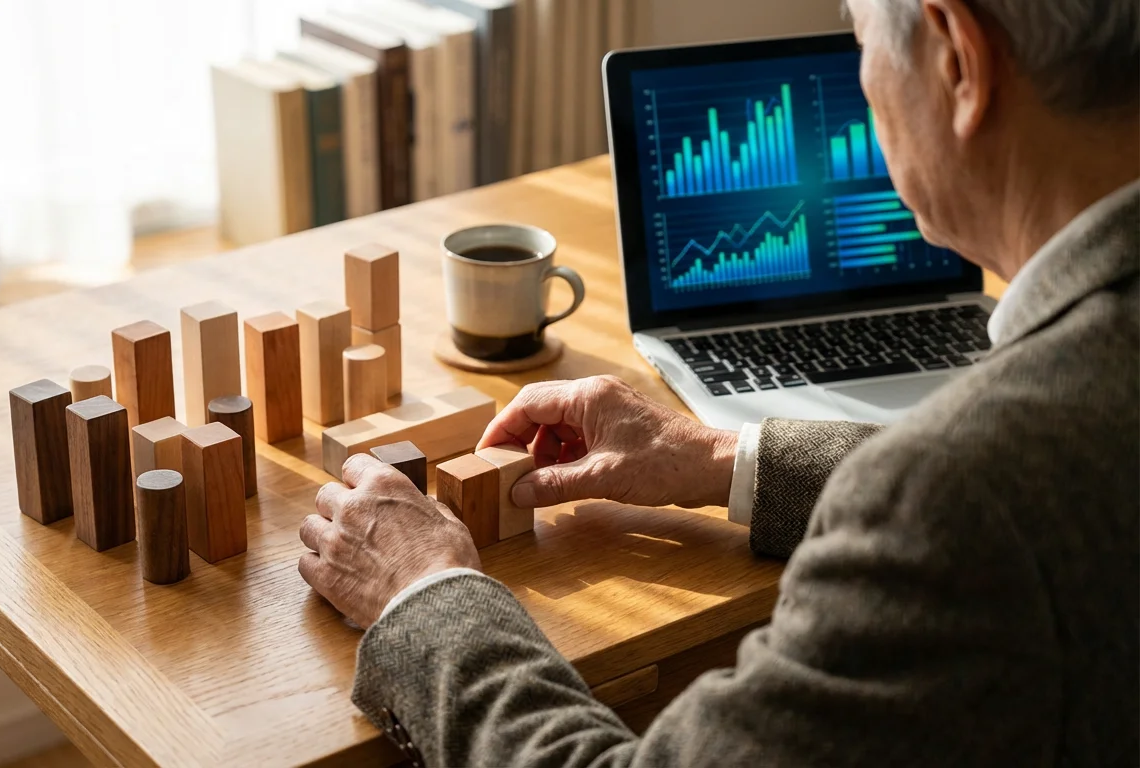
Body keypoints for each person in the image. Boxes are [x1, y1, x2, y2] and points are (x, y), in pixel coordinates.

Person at [297, 0, 1140, 764]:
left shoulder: (953, 497)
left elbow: (969, 503)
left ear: (958, 58)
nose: (862, 81)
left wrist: (426, 593)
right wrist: (715, 456)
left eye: (857, 40)